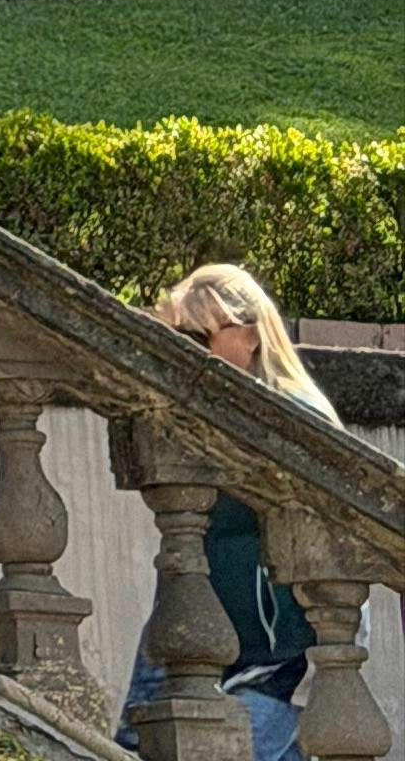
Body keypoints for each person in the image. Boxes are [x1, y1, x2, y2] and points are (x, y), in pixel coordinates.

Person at [119, 269, 339, 761]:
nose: (187, 350)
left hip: (274, 665)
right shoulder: (195, 418)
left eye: (200, 336)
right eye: (178, 336)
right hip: (203, 644)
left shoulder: (297, 416)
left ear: (251, 334)